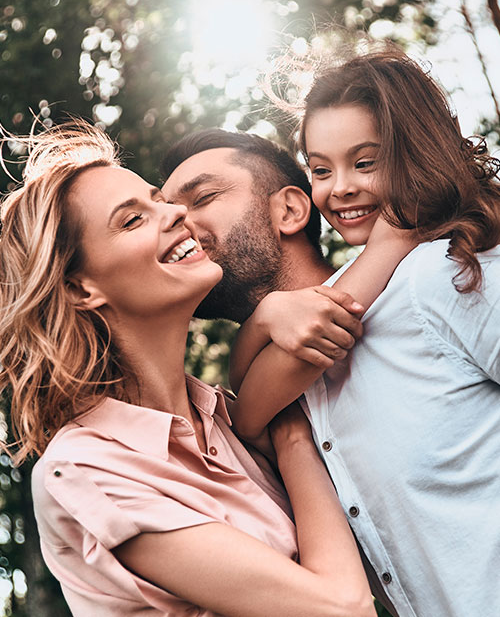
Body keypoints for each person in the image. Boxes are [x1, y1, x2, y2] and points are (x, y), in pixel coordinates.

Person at [161, 45, 500, 617]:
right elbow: (248, 406)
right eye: (323, 169)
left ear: (292, 211)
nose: (176, 225)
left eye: (203, 198)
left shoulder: (444, 274)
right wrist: (270, 315)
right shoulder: (271, 395)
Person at [0, 121, 378, 617]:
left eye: (160, 200)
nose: (177, 213)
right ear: (79, 289)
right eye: (132, 220)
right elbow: (344, 608)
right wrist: (290, 435)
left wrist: (265, 320)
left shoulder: (226, 419)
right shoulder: (86, 471)